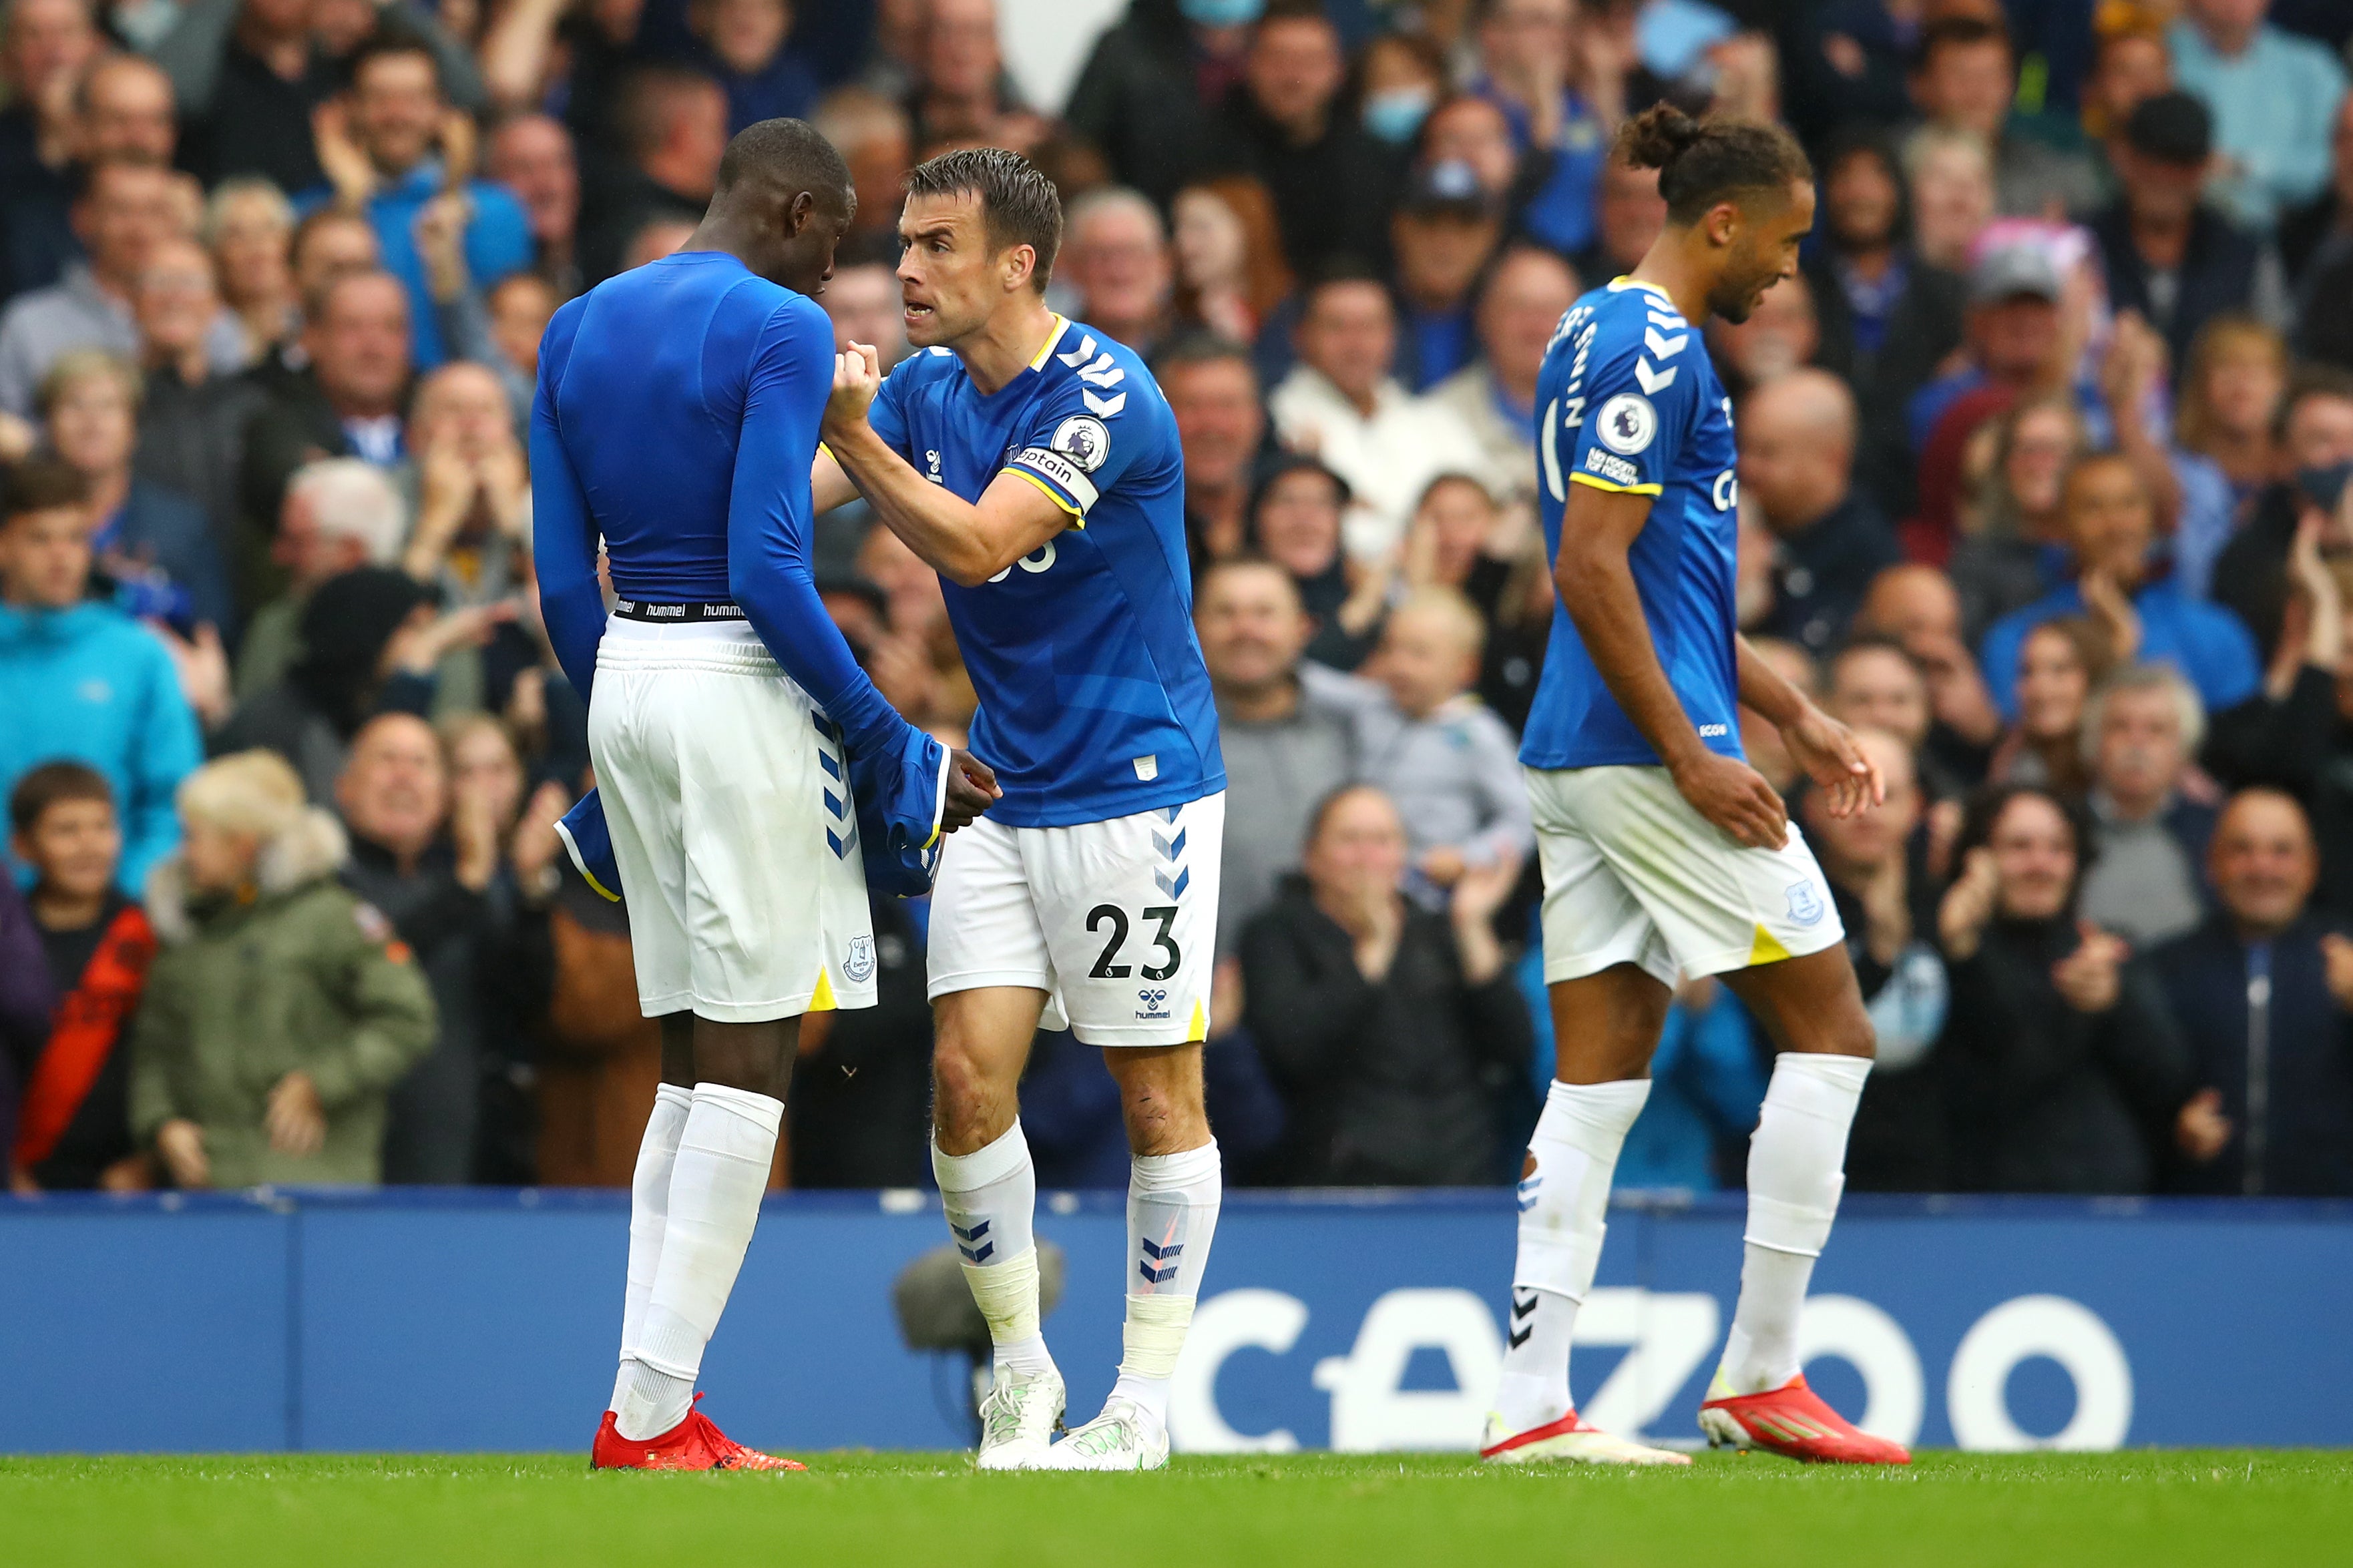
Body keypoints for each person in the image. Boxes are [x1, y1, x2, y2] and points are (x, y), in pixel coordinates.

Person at [533, 119, 989, 1473]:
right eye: (837, 235)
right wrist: (887, 736)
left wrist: (616, 724)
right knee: (749, 1057)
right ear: (793, 209)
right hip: (739, 676)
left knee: (684, 1059)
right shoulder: (779, 329)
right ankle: (653, 1415)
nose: (836, 263)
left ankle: (648, 1399)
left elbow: (566, 579)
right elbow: (771, 565)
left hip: (624, 671)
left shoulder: (575, 325)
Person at [1492, 103, 1907, 1469]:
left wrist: (1787, 708)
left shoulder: (1591, 329)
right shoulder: (1645, 344)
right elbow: (1591, 569)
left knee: (1599, 1073)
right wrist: (1696, 752)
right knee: (1833, 1027)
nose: (1787, 270)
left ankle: (1529, 1403)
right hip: (1639, 755)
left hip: (1586, 744)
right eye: (1782, 242)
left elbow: (1665, 583)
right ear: (1718, 221)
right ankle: (1760, 1371)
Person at [817, 146, 1226, 1472]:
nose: (908, 270)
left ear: (1017, 263)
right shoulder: (929, 391)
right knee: (959, 1077)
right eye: (903, 244)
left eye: (937, 245)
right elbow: (785, 494)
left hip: (1138, 783)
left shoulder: (1106, 393)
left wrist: (849, 435)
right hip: (1005, 784)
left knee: (1157, 1101)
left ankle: (1146, 1401)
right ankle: (1021, 1366)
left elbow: (979, 542)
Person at [131, 748, 437, 1190]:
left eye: (195, 836)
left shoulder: (331, 918)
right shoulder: (186, 932)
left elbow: (408, 1018)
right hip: (208, 1183)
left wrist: (323, 1082)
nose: (185, 852)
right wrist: (161, 1125)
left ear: (242, 844)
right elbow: (154, 1045)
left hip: (315, 1175)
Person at [1241, 783, 1530, 1185]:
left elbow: (1514, 1049)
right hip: (1340, 1186)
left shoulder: (1436, 931)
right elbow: (1292, 1050)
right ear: (1311, 856)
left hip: (1462, 1179)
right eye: (1349, 840)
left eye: (1383, 841)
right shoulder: (1274, 935)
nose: (1367, 857)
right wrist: (1372, 950)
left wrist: (1472, 927)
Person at [1936, 783, 2193, 1194]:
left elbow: (2169, 1081)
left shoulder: (2110, 951)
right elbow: (2002, 1073)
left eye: (2058, 849)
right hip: (1983, 1205)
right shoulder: (1946, 949)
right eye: (2020, 847)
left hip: (2107, 1204)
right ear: (1978, 859)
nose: (2042, 864)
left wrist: (2116, 1002)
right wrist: (1964, 952)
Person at [0, 458, 200, 892]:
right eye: (40, 538)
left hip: (108, 919)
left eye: (75, 538)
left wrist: (128, 896)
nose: (60, 556)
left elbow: (174, 799)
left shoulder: (140, 655)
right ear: (4, 545)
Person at [2157, 788, 2353, 1197]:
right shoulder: (2164, 968)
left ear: (2311, 867)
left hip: (2333, 1229)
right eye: (2242, 849)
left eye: (2282, 851)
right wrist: (2174, 1125)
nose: (2262, 867)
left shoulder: (2347, 959)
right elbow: (2135, 1088)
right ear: (2211, 863)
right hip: (2198, 1221)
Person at [1980, 453, 2262, 724]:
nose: (2115, 525)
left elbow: (2237, 752)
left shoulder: (2217, 632)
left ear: (2153, 519)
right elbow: (2031, 752)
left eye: (2129, 505)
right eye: (2093, 508)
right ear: (2063, 526)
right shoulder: (2019, 643)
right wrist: (2116, 652)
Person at [1798, 728, 1950, 1192]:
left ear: (1918, 805)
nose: (1866, 810)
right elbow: (1795, 1041)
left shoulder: (1951, 908)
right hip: (1815, 1168)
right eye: (1846, 788)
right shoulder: (1783, 911)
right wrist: (1880, 956)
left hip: (1944, 1179)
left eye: (1884, 791)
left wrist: (1971, 954)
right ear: (1810, 807)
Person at [1321, 586, 1534, 906]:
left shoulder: (1477, 733)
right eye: (1391, 649)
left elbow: (1523, 818)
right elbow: (1309, 684)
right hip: (1358, 884)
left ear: (1466, 669)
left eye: (1419, 654)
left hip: (1432, 894)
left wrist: (1469, 857)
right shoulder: (1372, 705)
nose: (1399, 665)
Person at [1195, 555, 1356, 957]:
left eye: (1264, 613)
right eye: (1225, 613)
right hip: (1206, 988)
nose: (1245, 630)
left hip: (1341, 983)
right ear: (1192, 626)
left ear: (1303, 628)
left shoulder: (1357, 724)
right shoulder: (1159, 739)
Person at [1267, 268, 1486, 561]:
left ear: (1393, 336)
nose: (1356, 344)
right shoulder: (1276, 420)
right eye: (1337, 327)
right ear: (1301, 336)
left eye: (1370, 327)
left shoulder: (1437, 420)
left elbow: (1485, 516)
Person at [7, 762, 155, 1192]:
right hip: (23, 1181)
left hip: (128, 1180)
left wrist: (149, 1158)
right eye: (66, 831)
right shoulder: (10, 941)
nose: (89, 846)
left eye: (103, 827)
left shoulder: (149, 937)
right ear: (23, 846)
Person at [0, 158, 243, 419]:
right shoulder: (29, 324)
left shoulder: (211, 322)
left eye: (154, 211)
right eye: (121, 211)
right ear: (83, 218)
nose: (139, 229)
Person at [2089, 90, 2287, 379]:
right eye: (2154, 160)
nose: (2166, 178)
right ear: (2124, 158)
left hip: (2211, 421)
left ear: (2206, 167)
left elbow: (2275, 357)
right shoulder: (2082, 244)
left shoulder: (2244, 254)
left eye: (2183, 164)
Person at [1738, 368, 1899, 656]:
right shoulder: (1731, 525)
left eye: (1767, 454)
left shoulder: (1868, 557)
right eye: (1744, 449)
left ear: (1831, 459)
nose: (1747, 467)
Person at [2167, 0, 2348, 234]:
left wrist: (2242, 167)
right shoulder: (2162, 57)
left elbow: (2334, 162)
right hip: (2181, 231)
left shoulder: (2312, 66)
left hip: (2295, 233)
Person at [1425, 245, 1580, 513]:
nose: (1537, 326)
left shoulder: (1610, 413)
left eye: (1553, 310)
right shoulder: (1433, 421)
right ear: (1484, 317)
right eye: (1519, 308)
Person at [2077, 664, 2217, 947]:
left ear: (2183, 750)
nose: (2137, 743)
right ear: (2094, 742)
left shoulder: (2214, 832)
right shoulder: (2062, 828)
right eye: (2120, 727)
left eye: (2156, 730)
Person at [1387, 160, 1503, 393]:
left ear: (1491, 235)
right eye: (1429, 221)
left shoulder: (1511, 326)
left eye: (1465, 224)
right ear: (1399, 228)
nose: (1445, 242)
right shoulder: (1355, 317)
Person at [1158, 334, 1266, 575]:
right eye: (1191, 406)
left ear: (1258, 419)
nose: (1211, 426)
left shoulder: (1289, 519)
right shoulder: (1129, 529)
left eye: (1227, 406)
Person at [1058, 186, 1174, 360]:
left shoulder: (1202, 359)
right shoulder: (1048, 359)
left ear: (1163, 263)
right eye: (1101, 256)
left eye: (1134, 253)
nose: (1119, 272)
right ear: (1072, 267)